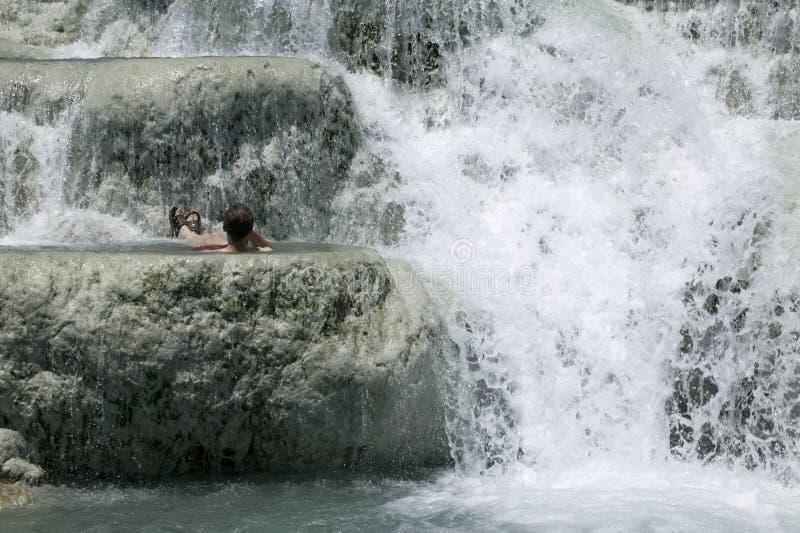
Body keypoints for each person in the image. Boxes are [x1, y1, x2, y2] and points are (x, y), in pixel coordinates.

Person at [170, 203, 272, 252]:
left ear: (224, 228)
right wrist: (248, 229)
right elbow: (266, 247)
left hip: (216, 246)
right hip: (242, 239)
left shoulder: (212, 252)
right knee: (218, 240)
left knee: (215, 238)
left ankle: (185, 232)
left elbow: (188, 249)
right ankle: (189, 233)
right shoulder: (262, 252)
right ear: (250, 231)